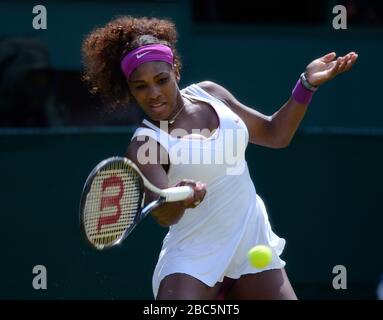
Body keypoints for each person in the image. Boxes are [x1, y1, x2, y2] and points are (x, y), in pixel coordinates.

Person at [81, 16, 358, 300]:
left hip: (251, 244)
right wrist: (181, 198)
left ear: (175, 70)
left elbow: (276, 134)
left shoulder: (211, 94)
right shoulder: (144, 144)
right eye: (140, 86)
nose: (153, 93)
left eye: (161, 80)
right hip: (194, 258)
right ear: (130, 89)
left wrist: (306, 85)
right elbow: (163, 214)